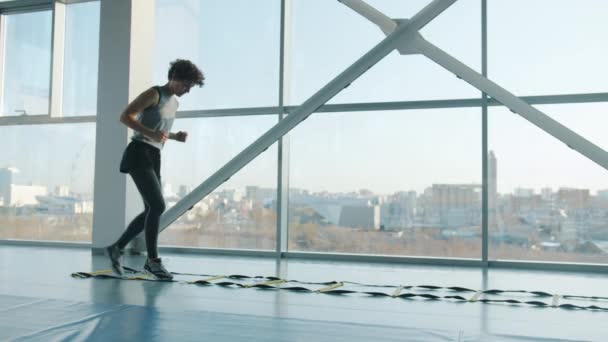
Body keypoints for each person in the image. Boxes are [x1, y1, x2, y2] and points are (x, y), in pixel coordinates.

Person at [105, 59, 204, 279]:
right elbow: (125, 117)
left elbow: (159, 130)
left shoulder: (174, 103)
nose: (187, 90)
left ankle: (117, 248)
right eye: (186, 85)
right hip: (138, 152)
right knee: (158, 205)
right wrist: (150, 134)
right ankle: (152, 261)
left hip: (153, 154)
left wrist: (176, 136)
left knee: (152, 208)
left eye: (190, 87)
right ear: (175, 77)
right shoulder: (154, 94)